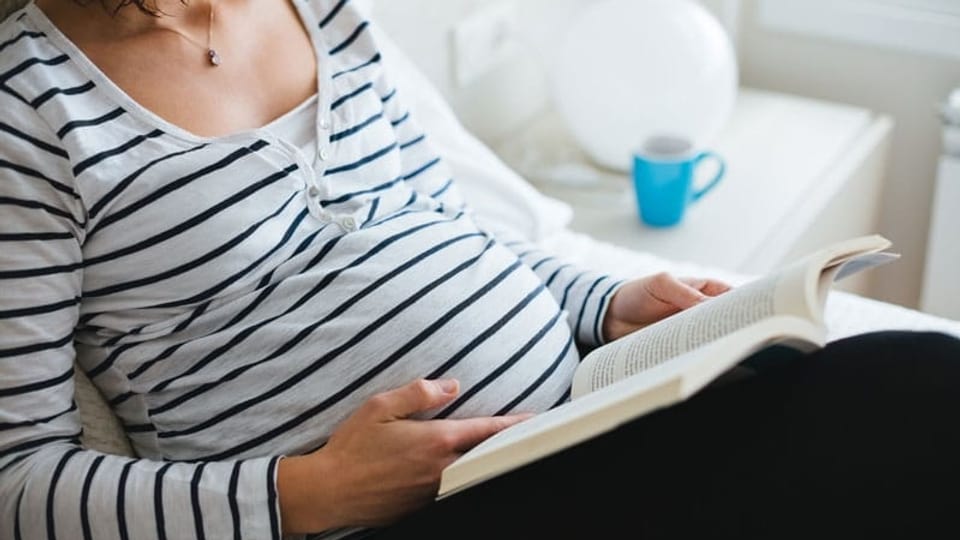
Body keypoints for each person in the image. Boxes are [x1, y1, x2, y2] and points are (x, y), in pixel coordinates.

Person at [0, 1, 957, 539]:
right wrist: (309, 494)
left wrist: (607, 302)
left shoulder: (321, 12)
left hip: (588, 419)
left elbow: (452, 235)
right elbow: (17, 479)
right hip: (425, 514)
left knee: (919, 385)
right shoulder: (28, 111)